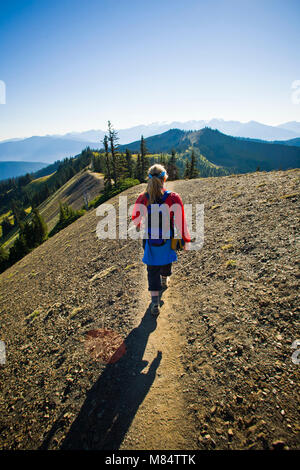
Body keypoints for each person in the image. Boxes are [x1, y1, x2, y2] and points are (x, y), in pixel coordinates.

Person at [132, 164, 191, 315]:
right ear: (165, 178)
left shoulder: (143, 198)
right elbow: (181, 221)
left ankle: (154, 302)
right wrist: (185, 239)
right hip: (167, 237)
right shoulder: (173, 197)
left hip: (149, 238)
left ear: (149, 179)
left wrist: (139, 224)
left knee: (152, 269)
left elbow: (136, 218)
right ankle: (164, 279)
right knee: (166, 260)